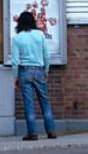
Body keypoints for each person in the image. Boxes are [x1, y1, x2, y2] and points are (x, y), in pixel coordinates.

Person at [11, 11, 57, 140]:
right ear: (33, 21)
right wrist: (46, 70)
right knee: (44, 101)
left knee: (28, 102)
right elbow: (46, 55)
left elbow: (15, 61)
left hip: (24, 71)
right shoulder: (40, 35)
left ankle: (32, 133)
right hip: (39, 70)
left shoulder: (17, 38)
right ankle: (51, 130)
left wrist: (15, 77)